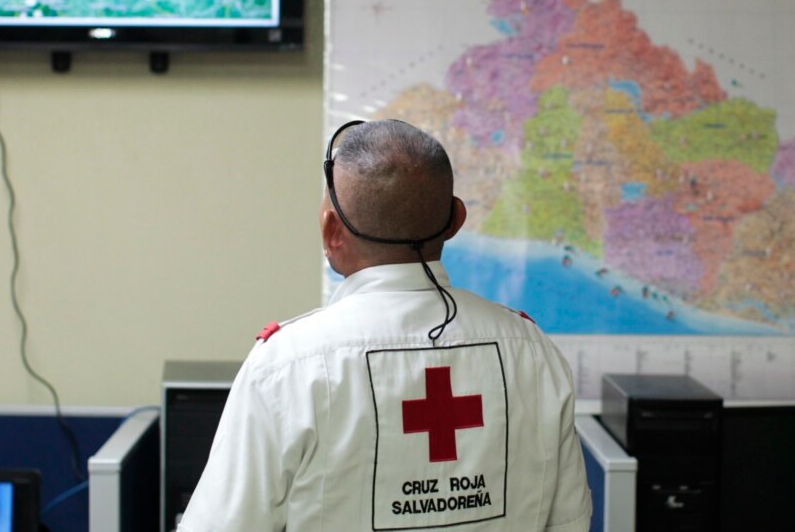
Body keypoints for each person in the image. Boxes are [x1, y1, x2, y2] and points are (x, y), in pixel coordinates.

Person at [177, 120, 592, 532]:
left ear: (331, 231)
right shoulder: (532, 352)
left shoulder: (288, 367)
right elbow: (570, 522)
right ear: (456, 220)